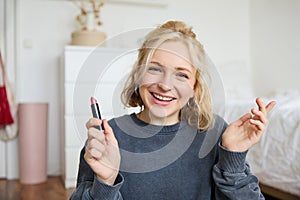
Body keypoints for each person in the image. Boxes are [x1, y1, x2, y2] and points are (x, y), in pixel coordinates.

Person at [70, 20, 276, 200]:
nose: (165, 85)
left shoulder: (214, 133)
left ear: (194, 87)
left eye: (182, 75)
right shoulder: (107, 138)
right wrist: (105, 182)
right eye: (155, 69)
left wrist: (233, 159)